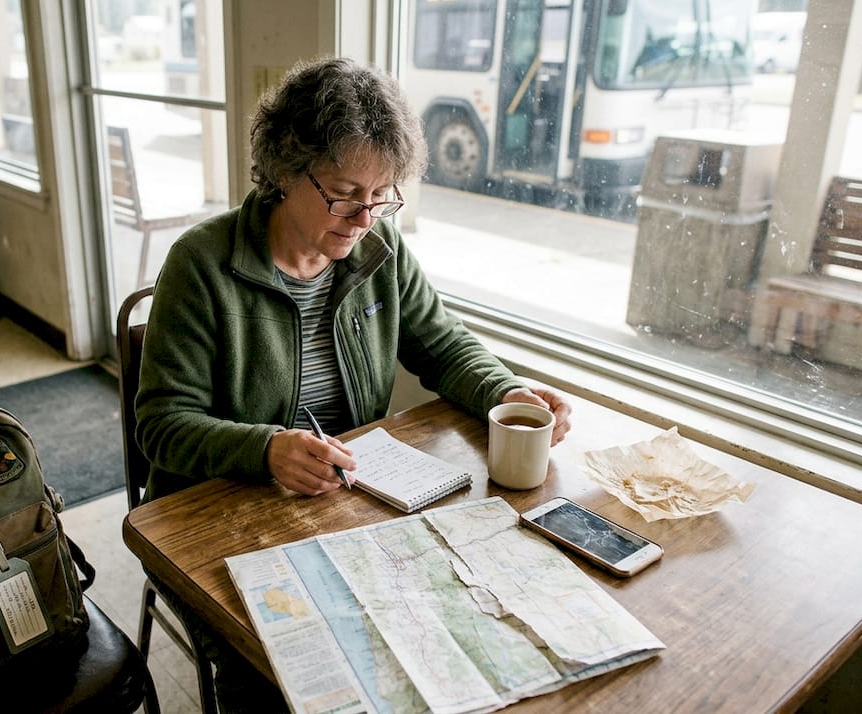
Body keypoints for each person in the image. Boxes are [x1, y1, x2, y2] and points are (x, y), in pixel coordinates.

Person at [133, 56, 573, 713]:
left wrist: (505, 392)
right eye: (344, 195)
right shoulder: (203, 265)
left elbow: (444, 344)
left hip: (346, 500)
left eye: (382, 197)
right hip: (221, 517)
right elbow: (162, 425)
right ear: (284, 170)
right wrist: (265, 450)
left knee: (448, 632)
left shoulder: (376, 253)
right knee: (278, 674)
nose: (365, 217)